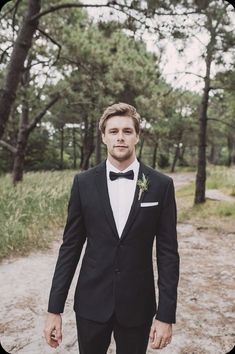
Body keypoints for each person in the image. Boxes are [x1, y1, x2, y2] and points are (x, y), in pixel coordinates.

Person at [44, 102, 180, 354]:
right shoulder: (83, 183)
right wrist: (54, 309)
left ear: (137, 136)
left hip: (138, 305)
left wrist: (166, 315)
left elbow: (168, 253)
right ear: (104, 136)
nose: (120, 137)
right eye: (114, 131)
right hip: (91, 304)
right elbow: (70, 248)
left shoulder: (161, 185)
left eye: (127, 131)